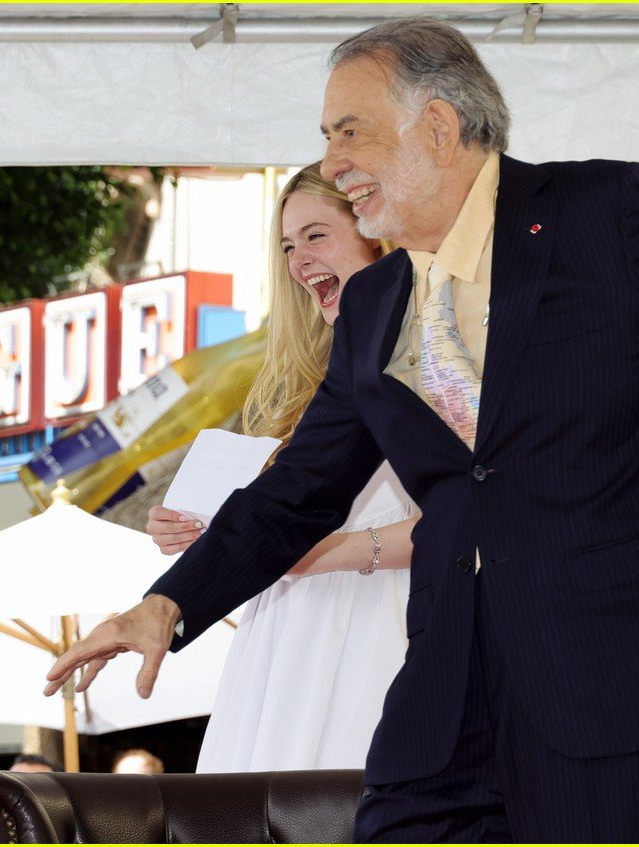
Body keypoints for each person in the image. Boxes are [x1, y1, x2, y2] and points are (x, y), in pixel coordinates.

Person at [47, 17, 639, 843]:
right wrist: (168, 605)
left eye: (351, 132)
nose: (335, 161)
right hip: (447, 696)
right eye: (327, 138)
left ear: (440, 125)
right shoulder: (374, 307)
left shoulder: (600, 212)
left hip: (623, 678)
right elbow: (297, 492)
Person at [145, 163, 417, 772]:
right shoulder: (302, 388)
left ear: (377, 232)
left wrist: (322, 552)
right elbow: (280, 513)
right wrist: (197, 533)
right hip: (283, 646)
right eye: (288, 246)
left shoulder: (429, 359)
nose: (298, 261)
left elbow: (471, 521)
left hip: (383, 635)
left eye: (317, 235)